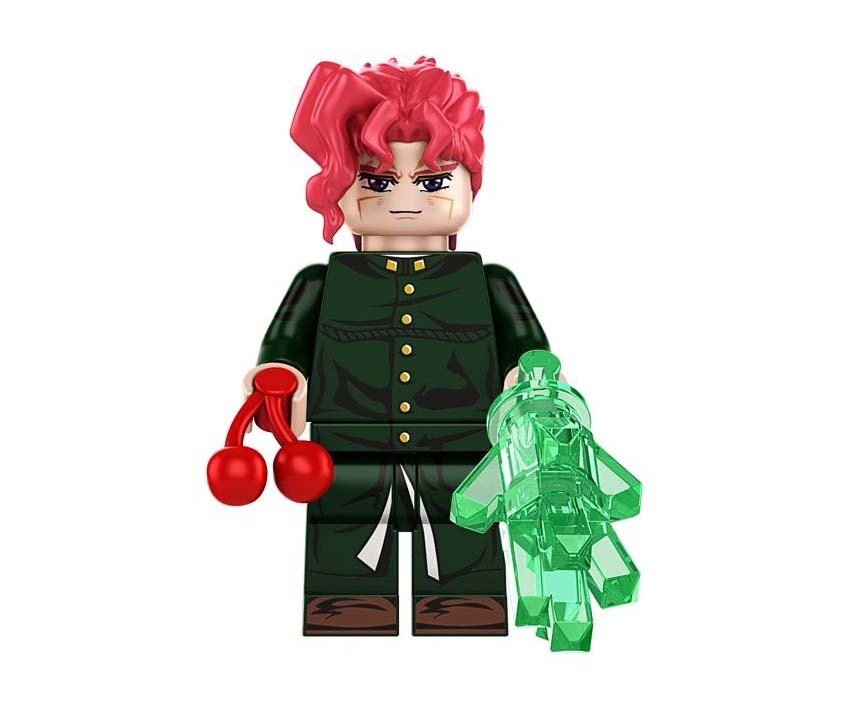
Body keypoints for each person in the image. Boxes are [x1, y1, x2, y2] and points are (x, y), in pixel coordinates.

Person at [246, 58, 549, 636]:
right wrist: (281, 377)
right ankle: (346, 603)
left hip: (462, 449)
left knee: (464, 530)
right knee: (346, 541)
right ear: (338, 186)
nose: (406, 198)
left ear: (468, 185)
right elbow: (285, 348)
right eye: (379, 182)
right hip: (348, 448)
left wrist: (526, 385)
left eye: (432, 181)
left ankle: (463, 602)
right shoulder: (320, 283)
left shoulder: (491, 283)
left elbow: (529, 352)